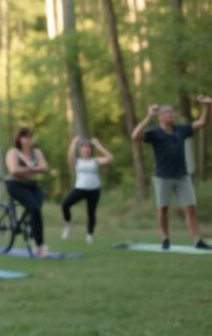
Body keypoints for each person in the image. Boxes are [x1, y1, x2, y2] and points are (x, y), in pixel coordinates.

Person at [130, 96, 212, 250]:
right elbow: (135, 136)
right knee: (163, 209)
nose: (171, 115)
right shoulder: (154, 133)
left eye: (172, 112)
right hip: (162, 177)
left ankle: (197, 240)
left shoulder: (181, 130)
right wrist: (148, 116)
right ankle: (165, 238)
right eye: (167, 112)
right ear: (160, 116)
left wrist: (208, 106)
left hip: (182, 176)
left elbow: (203, 122)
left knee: (191, 208)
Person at [4, 127, 51, 258]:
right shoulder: (13, 152)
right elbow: (13, 170)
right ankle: (40, 246)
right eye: (25, 137)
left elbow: (45, 167)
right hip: (15, 185)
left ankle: (32, 230)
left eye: (30, 137)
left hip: (32, 185)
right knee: (34, 209)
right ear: (19, 139)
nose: (28, 140)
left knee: (36, 208)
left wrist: (29, 169)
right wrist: (33, 169)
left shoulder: (36, 152)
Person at [60, 136, 113, 244]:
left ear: (91, 150)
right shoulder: (77, 161)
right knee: (65, 204)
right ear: (81, 149)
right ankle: (68, 224)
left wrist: (98, 145)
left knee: (91, 213)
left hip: (94, 189)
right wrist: (73, 143)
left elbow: (110, 158)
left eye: (88, 147)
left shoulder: (95, 160)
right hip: (80, 188)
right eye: (84, 147)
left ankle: (89, 235)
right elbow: (69, 157)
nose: (86, 149)